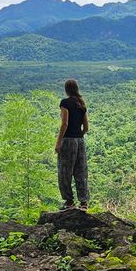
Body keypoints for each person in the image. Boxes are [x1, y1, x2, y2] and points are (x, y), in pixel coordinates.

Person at [55, 78, 89, 210]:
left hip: (68, 140)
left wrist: (58, 142)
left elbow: (64, 123)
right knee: (81, 172)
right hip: (80, 141)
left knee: (64, 171)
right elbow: (86, 127)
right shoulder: (81, 104)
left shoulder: (65, 103)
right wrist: (79, 135)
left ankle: (69, 202)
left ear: (67, 89)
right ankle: (84, 203)